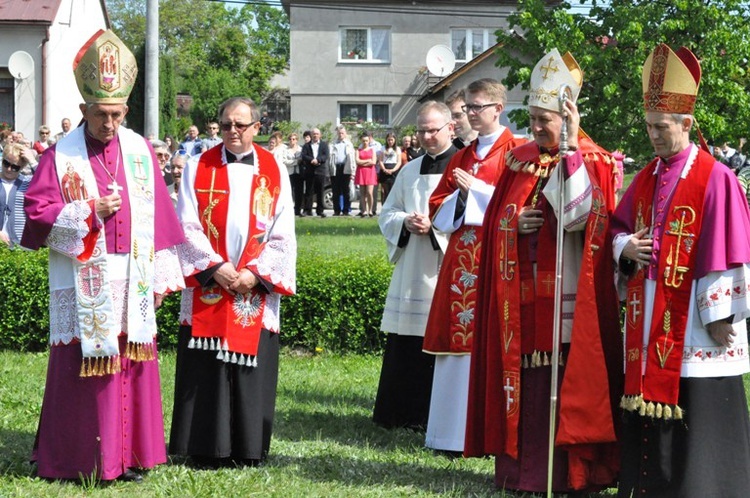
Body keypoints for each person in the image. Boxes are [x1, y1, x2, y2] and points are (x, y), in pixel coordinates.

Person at [21, 29, 185, 483]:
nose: (108, 123)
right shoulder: (60, 155)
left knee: (130, 368)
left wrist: (159, 280)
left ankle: (128, 457)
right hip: (83, 278)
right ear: (83, 110)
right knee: (86, 374)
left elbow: (162, 222)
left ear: (126, 110)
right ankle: (80, 459)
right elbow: (35, 217)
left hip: (132, 276)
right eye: (99, 114)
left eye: (115, 114)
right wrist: (89, 211)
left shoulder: (140, 153)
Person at [465, 49, 621, 494]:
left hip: (571, 298)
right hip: (523, 298)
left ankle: (570, 474)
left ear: (567, 117)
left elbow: (579, 218)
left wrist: (569, 151)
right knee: (527, 385)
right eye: (531, 118)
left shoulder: (594, 158)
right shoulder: (520, 159)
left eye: (544, 120)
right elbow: (495, 218)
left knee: (564, 382)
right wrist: (513, 223)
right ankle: (521, 473)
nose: (534, 129)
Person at [610, 44, 750, 498]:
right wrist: (625, 246)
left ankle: (709, 486)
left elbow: (730, 247)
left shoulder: (716, 177)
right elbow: (617, 227)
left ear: (686, 124)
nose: (652, 135)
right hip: (651, 310)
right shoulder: (647, 175)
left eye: (661, 127)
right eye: (649, 126)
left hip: (696, 315)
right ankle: (656, 483)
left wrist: (721, 315)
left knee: (701, 404)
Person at [170, 96, 297, 468]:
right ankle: (203, 447)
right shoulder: (198, 166)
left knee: (247, 365)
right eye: (226, 125)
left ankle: (247, 447)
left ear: (257, 127)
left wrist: (254, 274)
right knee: (205, 365)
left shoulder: (275, 169)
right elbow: (186, 224)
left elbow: (283, 231)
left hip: (252, 283)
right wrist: (215, 267)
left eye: (241, 124)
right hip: (212, 277)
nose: (233, 131)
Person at [422, 78, 525, 453]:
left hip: (498, 257)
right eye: (467, 108)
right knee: (455, 341)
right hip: (461, 261)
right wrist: (462, 198)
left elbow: (519, 202)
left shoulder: (517, 152)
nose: (470, 114)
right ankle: (448, 433)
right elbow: (438, 208)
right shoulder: (463, 156)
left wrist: (475, 192)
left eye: (477, 107)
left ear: (499, 108)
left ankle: (487, 432)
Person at [372, 101, 457, 429]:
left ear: (450, 128)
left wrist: (435, 228)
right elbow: (387, 213)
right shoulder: (409, 169)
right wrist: (406, 221)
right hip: (412, 270)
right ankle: (399, 413)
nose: (425, 136)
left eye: (432, 130)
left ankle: (435, 417)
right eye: (420, 130)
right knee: (406, 343)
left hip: (444, 264)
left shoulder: (463, 168)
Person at [1, 143, 31, 248]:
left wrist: (33, 161)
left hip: (21, 243)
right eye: (6, 163)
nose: (9, 169)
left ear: (22, 167)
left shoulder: (28, 182)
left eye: (14, 167)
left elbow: (48, 184)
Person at [299, 128, 330, 217]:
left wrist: (318, 160)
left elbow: (326, 155)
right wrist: (312, 160)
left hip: (320, 171)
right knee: (309, 191)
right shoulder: (306, 146)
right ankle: (307, 210)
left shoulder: (324, 145)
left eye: (317, 134)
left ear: (320, 135)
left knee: (320, 191)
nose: (315, 135)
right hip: (310, 171)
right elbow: (304, 155)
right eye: (314, 134)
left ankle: (320, 211)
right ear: (311, 135)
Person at [328, 125, 356, 216]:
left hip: (346, 168)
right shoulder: (333, 144)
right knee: (335, 191)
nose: (340, 135)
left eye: (342, 133)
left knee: (346, 191)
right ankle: (336, 210)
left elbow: (352, 159)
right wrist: (329, 171)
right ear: (337, 134)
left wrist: (353, 171)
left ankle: (346, 210)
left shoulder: (349, 144)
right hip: (336, 168)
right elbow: (330, 159)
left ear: (345, 134)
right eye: (339, 133)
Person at [355, 132, 378, 217]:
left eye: (366, 141)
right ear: (361, 141)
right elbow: (357, 161)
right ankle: (364, 210)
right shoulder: (358, 150)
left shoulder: (372, 150)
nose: (365, 142)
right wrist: (367, 161)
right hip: (361, 172)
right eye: (363, 141)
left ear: (369, 141)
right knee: (362, 193)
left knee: (369, 192)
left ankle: (370, 210)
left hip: (370, 172)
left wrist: (363, 162)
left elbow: (374, 162)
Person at [377, 132, 402, 202]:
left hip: (394, 170)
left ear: (394, 140)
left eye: (392, 140)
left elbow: (399, 162)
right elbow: (381, 160)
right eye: (389, 140)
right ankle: (384, 206)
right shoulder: (383, 148)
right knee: (385, 191)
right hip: (385, 169)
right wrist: (384, 169)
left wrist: (393, 170)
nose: (390, 141)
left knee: (393, 190)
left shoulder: (397, 149)